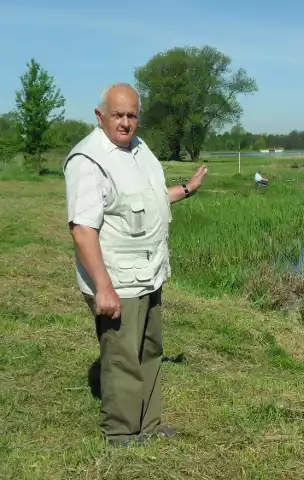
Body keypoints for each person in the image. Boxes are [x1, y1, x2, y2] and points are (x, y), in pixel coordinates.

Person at [62, 83, 208, 446]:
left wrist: (186, 189)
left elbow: (150, 199)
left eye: (132, 115)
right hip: (117, 282)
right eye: (118, 115)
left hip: (148, 274)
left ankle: (149, 424)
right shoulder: (88, 160)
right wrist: (103, 287)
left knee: (149, 349)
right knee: (123, 356)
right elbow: (82, 230)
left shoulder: (139, 150)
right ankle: (121, 434)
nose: (126, 123)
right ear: (100, 116)